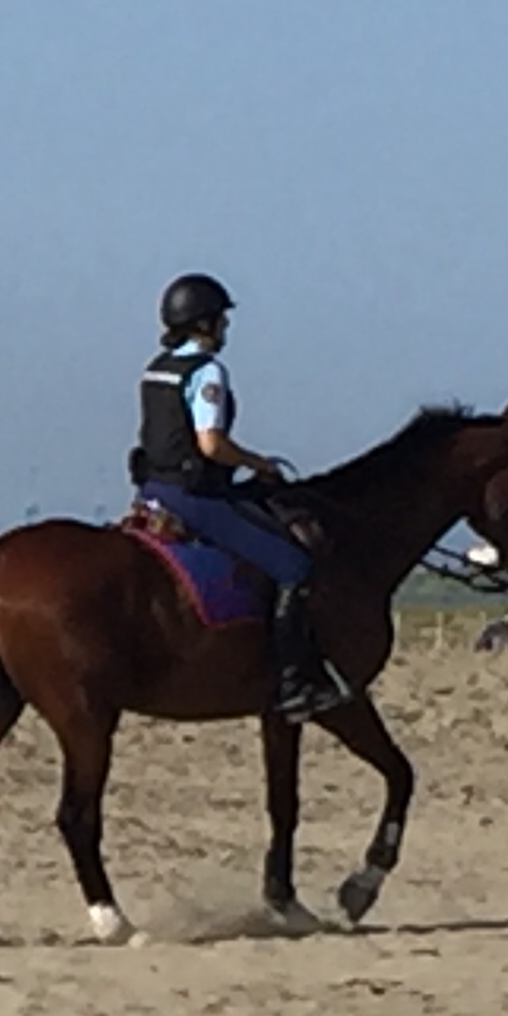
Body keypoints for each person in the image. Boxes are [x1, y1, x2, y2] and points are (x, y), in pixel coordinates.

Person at [129, 271, 348, 718]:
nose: (226, 326)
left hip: (153, 488)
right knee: (294, 567)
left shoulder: (158, 368)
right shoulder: (207, 372)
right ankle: (293, 683)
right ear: (204, 323)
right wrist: (258, 463)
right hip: (194, 496)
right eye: (221, 319)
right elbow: (211, 445)